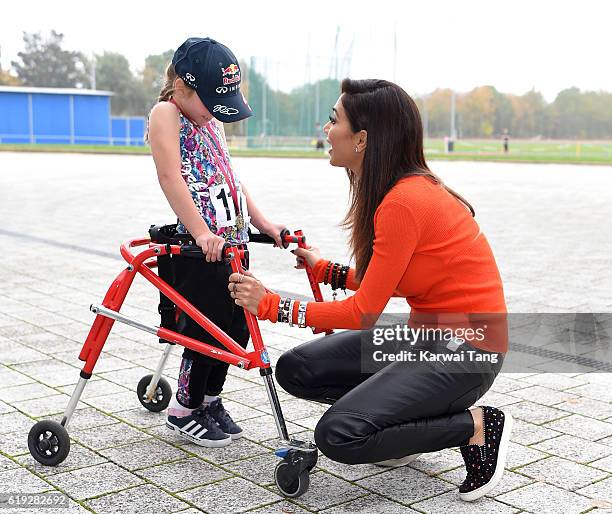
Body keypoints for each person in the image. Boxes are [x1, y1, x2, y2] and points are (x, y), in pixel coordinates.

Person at [227, 78, 513, 501]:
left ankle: (477, 427)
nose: (326, 131)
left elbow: (362, 313)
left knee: (339, 435)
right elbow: (387, 277)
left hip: (469, 352)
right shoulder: (395, 194)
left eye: (333, 120)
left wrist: (271, 305)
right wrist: (327, 270)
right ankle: (401, 427)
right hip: (425, 339)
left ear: (362, 138)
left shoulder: (404, 201)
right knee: (297, 369)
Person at [147, 37, 285, 447]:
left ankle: (209, 400)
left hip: (233, 243)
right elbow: (170, 176)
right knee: (207, 328)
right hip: (201, 246)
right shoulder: (167, 114)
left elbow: (232, 178)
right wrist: (201, 232)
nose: (213, 113)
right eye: (210, 102)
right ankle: (184, 407)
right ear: (183, 87)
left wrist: (263, 223)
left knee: (236, 324)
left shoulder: (211, 121)